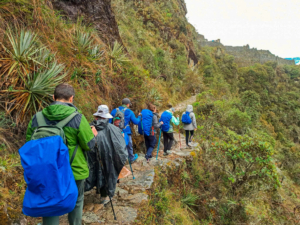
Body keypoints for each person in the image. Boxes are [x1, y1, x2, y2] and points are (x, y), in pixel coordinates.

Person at [26, 83, 96, 225]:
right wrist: (93, 135)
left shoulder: (37, 118)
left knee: (49, 204)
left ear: (53, 97)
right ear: (71, 99)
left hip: (46, 171)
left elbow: (29, 143)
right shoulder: (77, 118)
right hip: (74, 170)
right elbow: (89, 145)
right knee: (76, 200)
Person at [85, 105, 128, 205]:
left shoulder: (88, 128)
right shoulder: (114, 129)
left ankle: (94, 189)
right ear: (107, 117)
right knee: (109, 173)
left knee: (95, 170)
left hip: (93, 158)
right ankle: (104, 196)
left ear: (96, 117)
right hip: (110, 158)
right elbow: (121, 149)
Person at [110, 98, 141, 163]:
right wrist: (139, 117)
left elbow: (109, 122)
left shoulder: (114, 110)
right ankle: (131, 158)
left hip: (115, 131)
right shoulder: (129, 112)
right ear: (127, 104)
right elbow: (136, 122)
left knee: (117, 145)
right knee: (129, 145)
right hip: (126, 131)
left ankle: (118, 160)